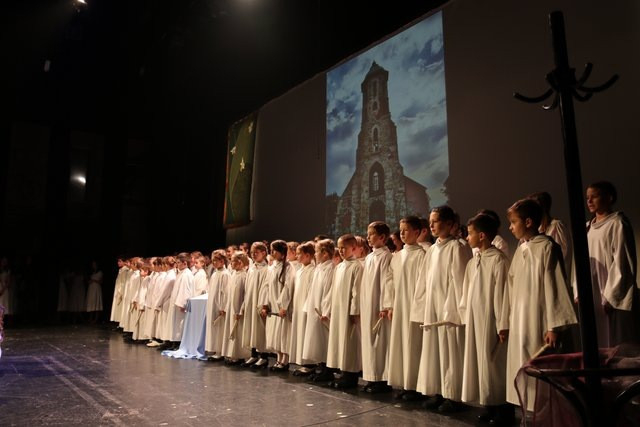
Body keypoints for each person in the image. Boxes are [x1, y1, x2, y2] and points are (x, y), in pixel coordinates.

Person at [505, 198, 577, 411]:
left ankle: (543, 412)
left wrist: (553, 326)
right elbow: (512, 284)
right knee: (521, 362)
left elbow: (554, 285)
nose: (510, 227)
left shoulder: (547, 247)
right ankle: (527, 411)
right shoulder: (521, 249)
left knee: (539, 365)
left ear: (528, 222)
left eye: (513, 222)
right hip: (521, 319)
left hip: (539, 318)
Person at [414, 206, 472, 412]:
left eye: (435, 221)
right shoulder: (432, 250)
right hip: (433, 306)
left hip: (449, 308)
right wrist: (422, 308)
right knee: (435, 351)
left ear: (449, 223)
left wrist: (457, 310)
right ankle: (438, 391)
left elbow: (462, 281)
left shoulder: (458, 247)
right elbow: (423, 281)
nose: (431, 225)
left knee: (450, 351)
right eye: (430, 221)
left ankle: (453, 396)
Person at [459, 214, 512, 424]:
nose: (467, 237)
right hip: (476, 319)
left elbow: (503, 294)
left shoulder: (498, 259)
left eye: (470, 233)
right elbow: (466, 292)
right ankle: (489, 404)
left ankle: (503, 409)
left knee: (494, 364)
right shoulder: (473, 262)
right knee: (481, 363)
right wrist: (465, 316)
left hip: (491, 319)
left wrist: (502, 324)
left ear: (481, 235)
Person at [583, 181, 639, 347]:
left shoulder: (617, 223)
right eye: (587, 197)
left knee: (614, 341)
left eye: (594, 196)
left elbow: (622, 261)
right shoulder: (587, 227)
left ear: (609, 198)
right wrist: (580, 290)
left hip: (608, 292)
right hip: (592, 289)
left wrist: (611, 296)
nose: (589, 201)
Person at [383, 216, 426, 401]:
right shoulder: (398, 256)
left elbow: (423, 284)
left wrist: (419, 307)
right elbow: (389, 281)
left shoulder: (422, 255)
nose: (402, 233)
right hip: (399, 306)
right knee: (400, 344)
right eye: (400, 230)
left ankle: (414, 385)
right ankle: (402, 382)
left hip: (413, 306)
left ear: (417, 232)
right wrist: (390, 305)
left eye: (406, 230)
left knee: (412, 344)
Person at [326, 234, 364, 389]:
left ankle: (351, 376)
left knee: (350, 342)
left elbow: (357, 290)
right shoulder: (340, 267)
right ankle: (343, 372)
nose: (341, 251)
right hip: (338, 310)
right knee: (339, 341)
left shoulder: (357, 266)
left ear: (353, 248)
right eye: (339, 247)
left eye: (344, 248)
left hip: (348, 312)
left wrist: (354, 311)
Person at [360, 221, 393, 393]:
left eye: (371, 234)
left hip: (378, 305)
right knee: (369, 342)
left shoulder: (386, 256)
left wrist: (384, 305)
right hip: (368, 304)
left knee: (379, 342)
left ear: (382, 237)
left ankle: (381, 379)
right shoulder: (369, 257)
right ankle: (371, 377)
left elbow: (387, 282)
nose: (368, 237)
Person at [303, 239, 336, 382]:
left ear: (325, 253)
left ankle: (327, 370)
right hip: (314, 308)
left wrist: (325, 311)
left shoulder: (330, 269)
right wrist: (308, 306)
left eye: (317, 252)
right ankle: (320, 366)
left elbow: (329, 291)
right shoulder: (319, 268)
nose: (315, 254)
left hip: (322, 311)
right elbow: (312, 289)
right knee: (316, 339)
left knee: (324, 339)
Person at [260, 240, 296, 371]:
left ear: (282, 252)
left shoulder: (288, 267)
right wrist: (265, 304)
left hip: (281, 307)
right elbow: (266, 286)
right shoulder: (272, 267)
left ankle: (284, 360)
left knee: (283, 333)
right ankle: (278, 358)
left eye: (274, 250)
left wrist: (283, 306)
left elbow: (288, 287)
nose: (272, 253)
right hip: (273, 304)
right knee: (275, 333)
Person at [240, 242, 270, 368]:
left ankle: (263, 356)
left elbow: (266, 288)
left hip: (259, 303)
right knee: (251, 328)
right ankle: (253, 354)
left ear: (264, 253)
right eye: (252, 252)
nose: (253, 255)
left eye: (256, 252)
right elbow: (247, 288)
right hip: (250, 302)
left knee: (260, 329)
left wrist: (263, 304)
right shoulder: (252, 269)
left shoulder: (266, 269)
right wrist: (245, 303)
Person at [289, 242, 316, 375]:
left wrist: (306, 307)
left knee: (306, 334)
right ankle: (302, 362)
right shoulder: (300, 270)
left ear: (308, 255)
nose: (297, 256)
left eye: (300, 254)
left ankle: (309, 364)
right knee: (299, 333)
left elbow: (311, 291)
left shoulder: (312, 271)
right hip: (298, 307)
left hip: (306, 308)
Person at [221, 252, 250, 365]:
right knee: (232, 330)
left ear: (240, 263)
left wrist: (240, 310)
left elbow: (244, 295)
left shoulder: (243, 276)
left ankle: (239, 355)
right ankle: (232, 354)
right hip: (231, 308)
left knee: (238, 331)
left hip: (238, 308)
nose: (231, 263)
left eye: (233, 261)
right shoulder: (234, 274)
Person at [166, 253, 195, 349]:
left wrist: (182, 303)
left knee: (180, 324)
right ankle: (175, 342)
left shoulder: (186, 275)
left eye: (178, 263)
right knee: (176, 324)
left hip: (181, 305)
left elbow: (185, 290)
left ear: (185, 263)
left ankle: (179, 343)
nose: (177, 265)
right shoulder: (181, 273)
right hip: (176, 303)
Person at [205, 250, 230, 360]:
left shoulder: (225, 274)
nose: (214, 263)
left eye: (216, 260)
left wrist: (223, 307)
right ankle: (215, 348)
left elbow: (226, 292)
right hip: (213, 305)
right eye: (213, 260)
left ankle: (220, 351)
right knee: (214, 327)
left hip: (220, 306)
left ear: (222, 261)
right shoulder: (215, 274)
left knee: (220, 328)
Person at [110, 257, 129, 324]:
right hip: (118, 290)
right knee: (118, 308)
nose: (118, 263)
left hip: (121, 291)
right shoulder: (121, 270)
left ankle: (121, 323)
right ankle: (119, 323)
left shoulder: (125, 270)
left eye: (120, 261)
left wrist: (120, 292)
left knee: (121, 307)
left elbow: (123, 283)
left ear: (124, 262)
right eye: (118, 261)